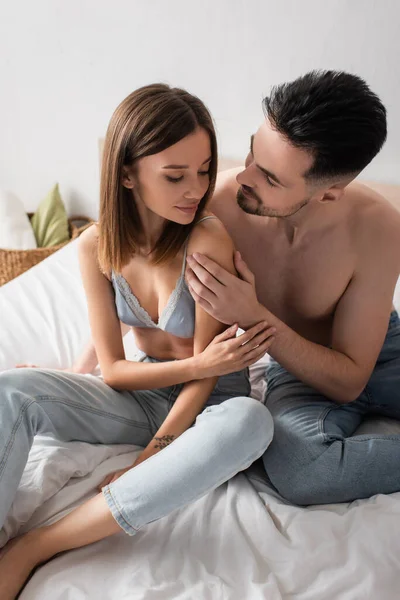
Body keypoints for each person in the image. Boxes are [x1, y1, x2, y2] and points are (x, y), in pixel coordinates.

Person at [0, 84, 274, 599]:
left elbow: (209, 376)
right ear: (126, 173)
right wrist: (68, 383)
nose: (196, 189)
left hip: (209, 407)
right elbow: (117, 370)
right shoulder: (95, 246)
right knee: (11, 388)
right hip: (138, 395)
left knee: (252, 421)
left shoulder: (207, 239)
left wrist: (152, 455)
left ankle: (35, 546)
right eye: (175, 176)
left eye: (204, 170)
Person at [186, 70, 400, 506]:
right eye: (250, 153)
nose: (243, 176)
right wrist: (82, 367)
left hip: (385, 352)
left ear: (330, 192)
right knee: (301, 471)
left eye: (271, 178)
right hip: (298, 365)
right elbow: (129, 279)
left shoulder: (378, 227)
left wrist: (253, 315)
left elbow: (350, 380)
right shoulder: (215, 211)